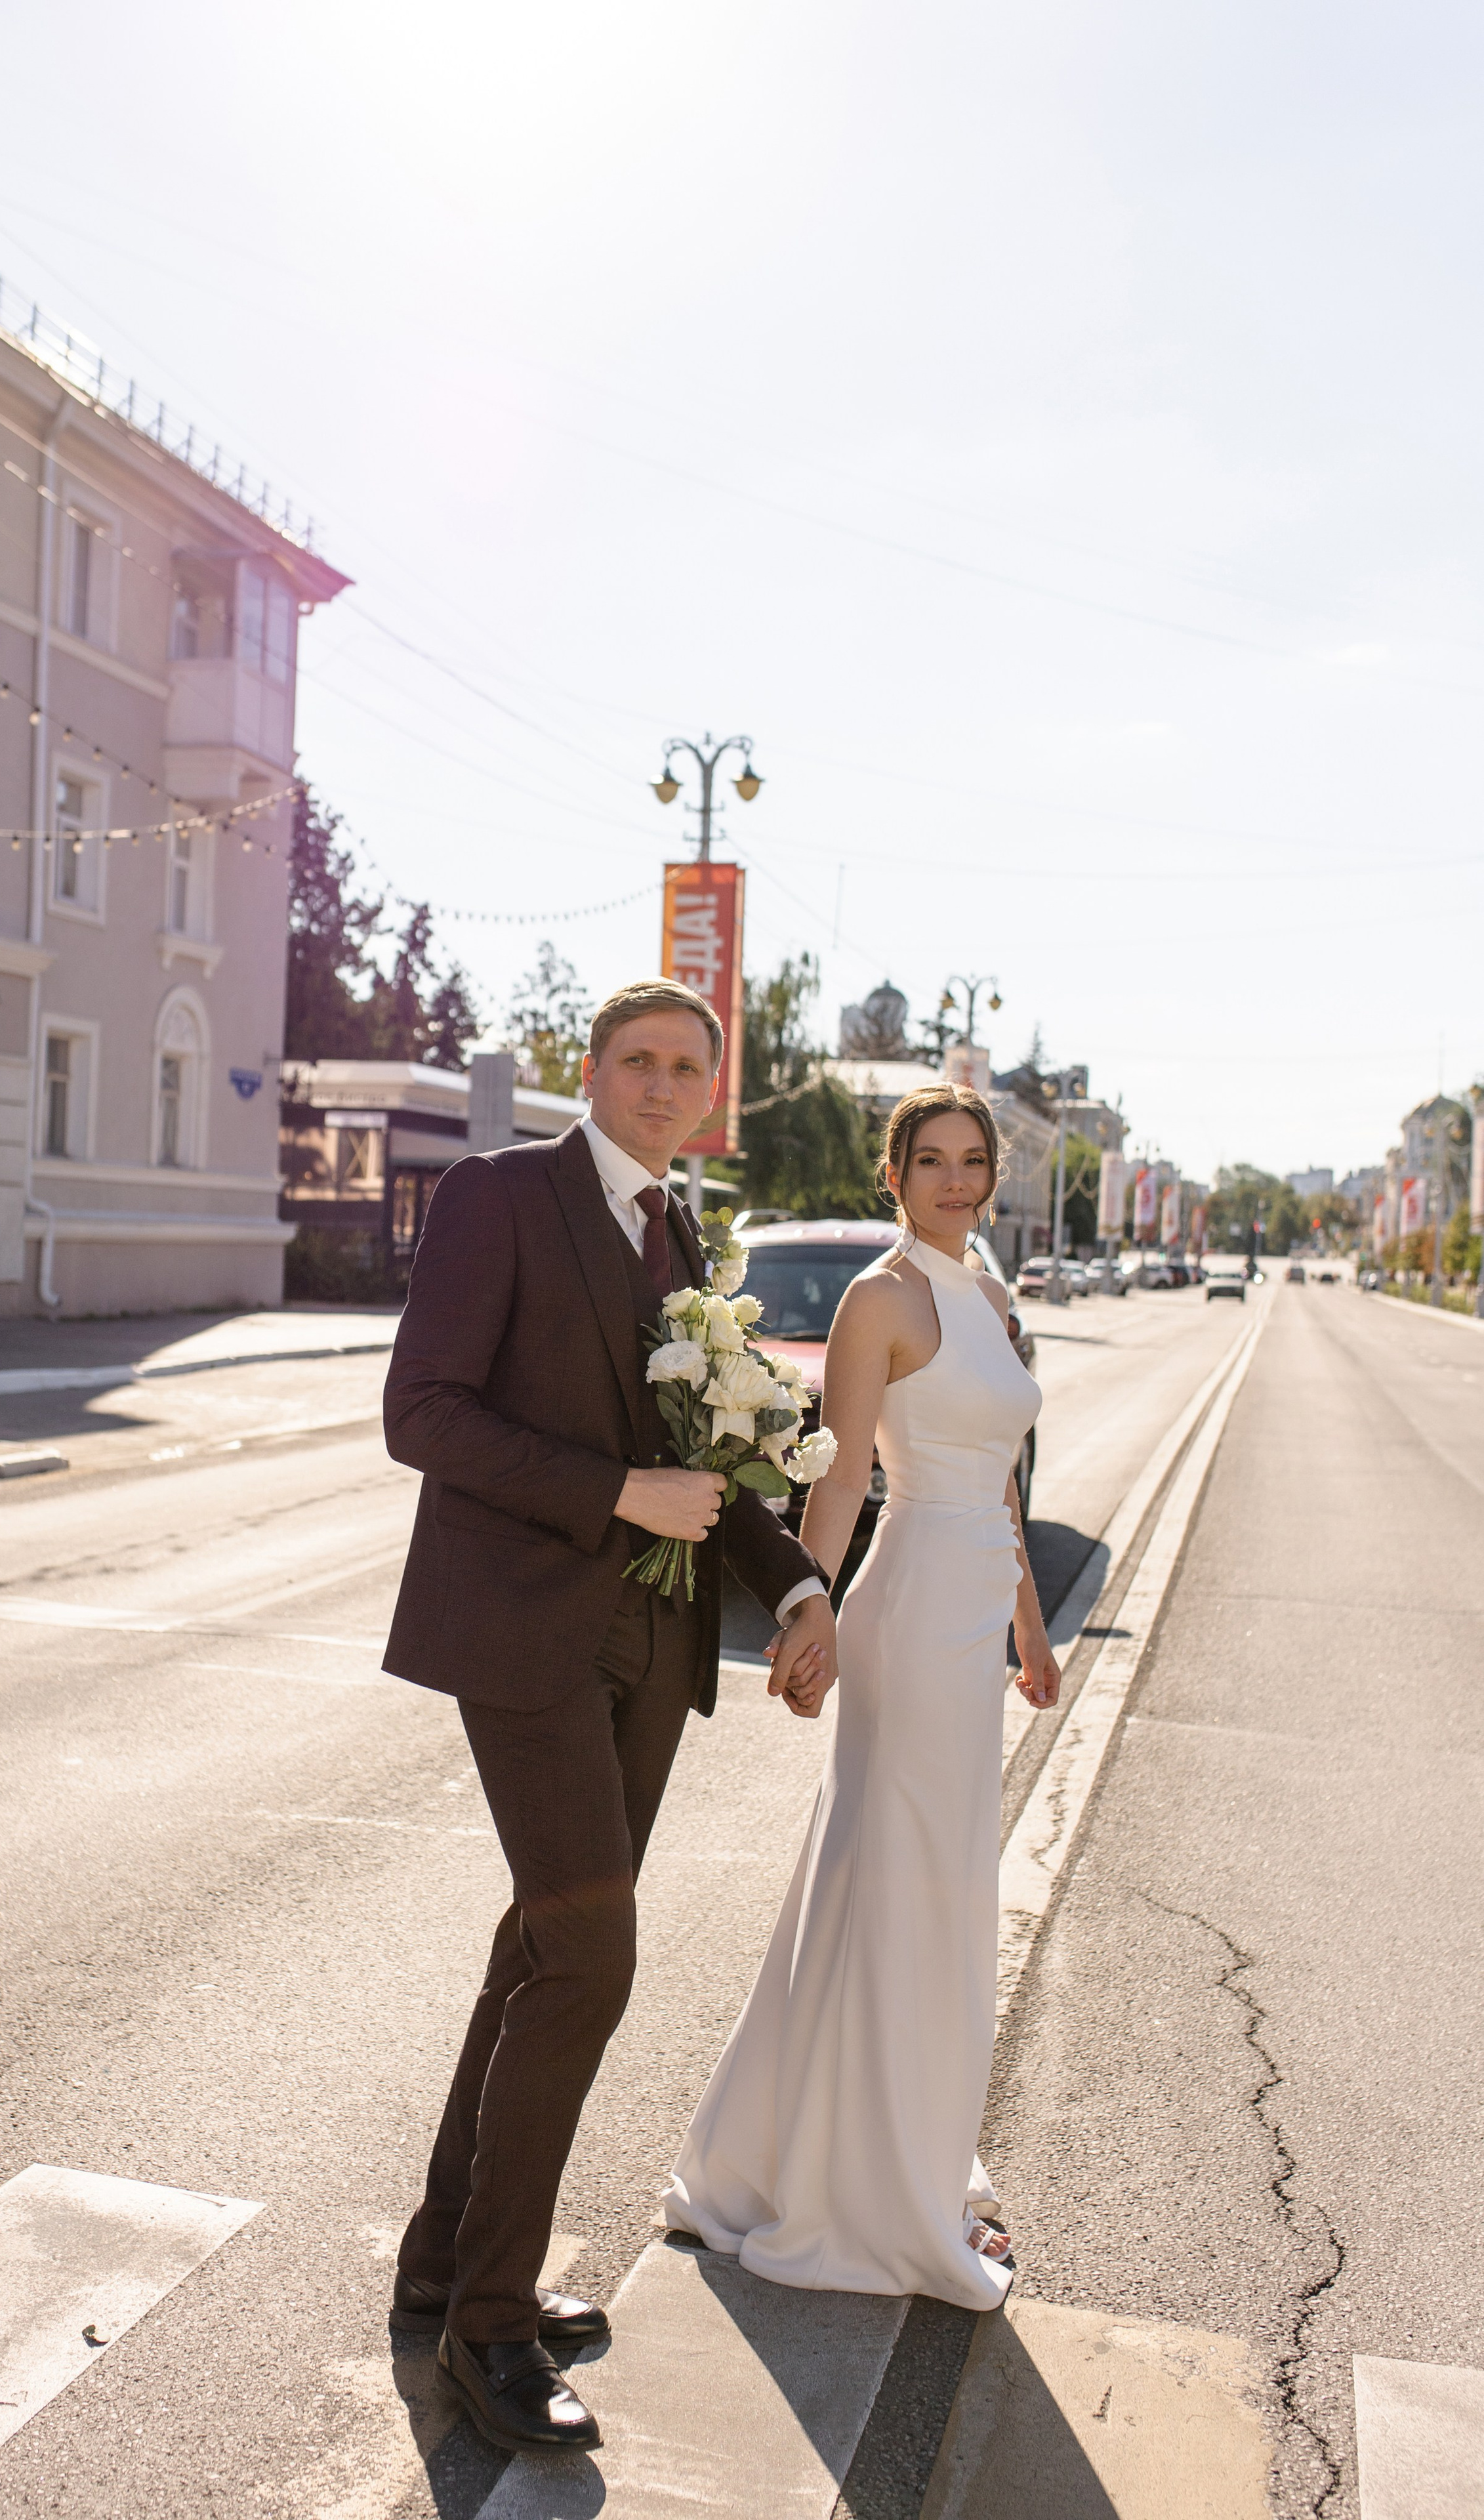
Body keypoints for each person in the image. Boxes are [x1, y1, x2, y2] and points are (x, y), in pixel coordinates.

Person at [381, 977, 837, 2454]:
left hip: (646, 1647)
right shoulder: (498, 1195)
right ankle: (488, 2333)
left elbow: (701, 1457)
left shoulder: (679, 1230)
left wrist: (801, 1583)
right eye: (633, 1061)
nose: (657, 1085)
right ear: (591, 1072)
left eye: (682, 1067)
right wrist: (610, 1494)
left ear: (712, 1089)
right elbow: (423, 1412)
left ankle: (444, 2264)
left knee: (539, 1945)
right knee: (589, 1959)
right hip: (521, 1634)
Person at [666, 1081, 1061, 2311]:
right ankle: (872, 2193)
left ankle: (911, 2156)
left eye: (971, 1161)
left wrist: (1031, 1632)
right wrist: (808, 1607)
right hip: (904, 1619)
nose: (954, 1179)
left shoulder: (990, 1295)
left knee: (937, 1887)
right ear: (891, 1177)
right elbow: (835, 1483)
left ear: (989, 1177)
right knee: (899, 1881)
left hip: (973, 1612)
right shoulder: (877, 1298)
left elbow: (1002, 1488)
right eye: (930, 1160)